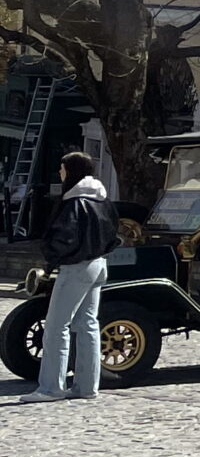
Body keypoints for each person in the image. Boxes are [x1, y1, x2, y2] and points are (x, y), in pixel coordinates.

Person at [21, 153, 116, 402]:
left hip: (75, 266)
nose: (60, 173)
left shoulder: (74, 201)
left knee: (56, 326)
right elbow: (114, 232)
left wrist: (51, 255)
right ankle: (87, 387)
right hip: (98, 263)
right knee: (88, 324)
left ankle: (51, 387)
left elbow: (65, 237)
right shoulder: (101, 197)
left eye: (62, 168)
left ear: (71, 171)